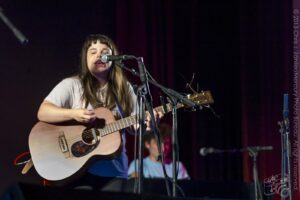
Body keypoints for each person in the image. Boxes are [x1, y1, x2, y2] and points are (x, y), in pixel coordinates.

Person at [37, 34, 160, 188]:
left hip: (114, 171)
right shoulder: (72, 85)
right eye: (93, 51)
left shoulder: (125, 88)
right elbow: (43, 111)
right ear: (85, 59)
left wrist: (149, 124)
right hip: (78, 169)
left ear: (113, 57)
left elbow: (134, 126)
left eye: (104, 52)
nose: (99, 55)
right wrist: (73, 113)